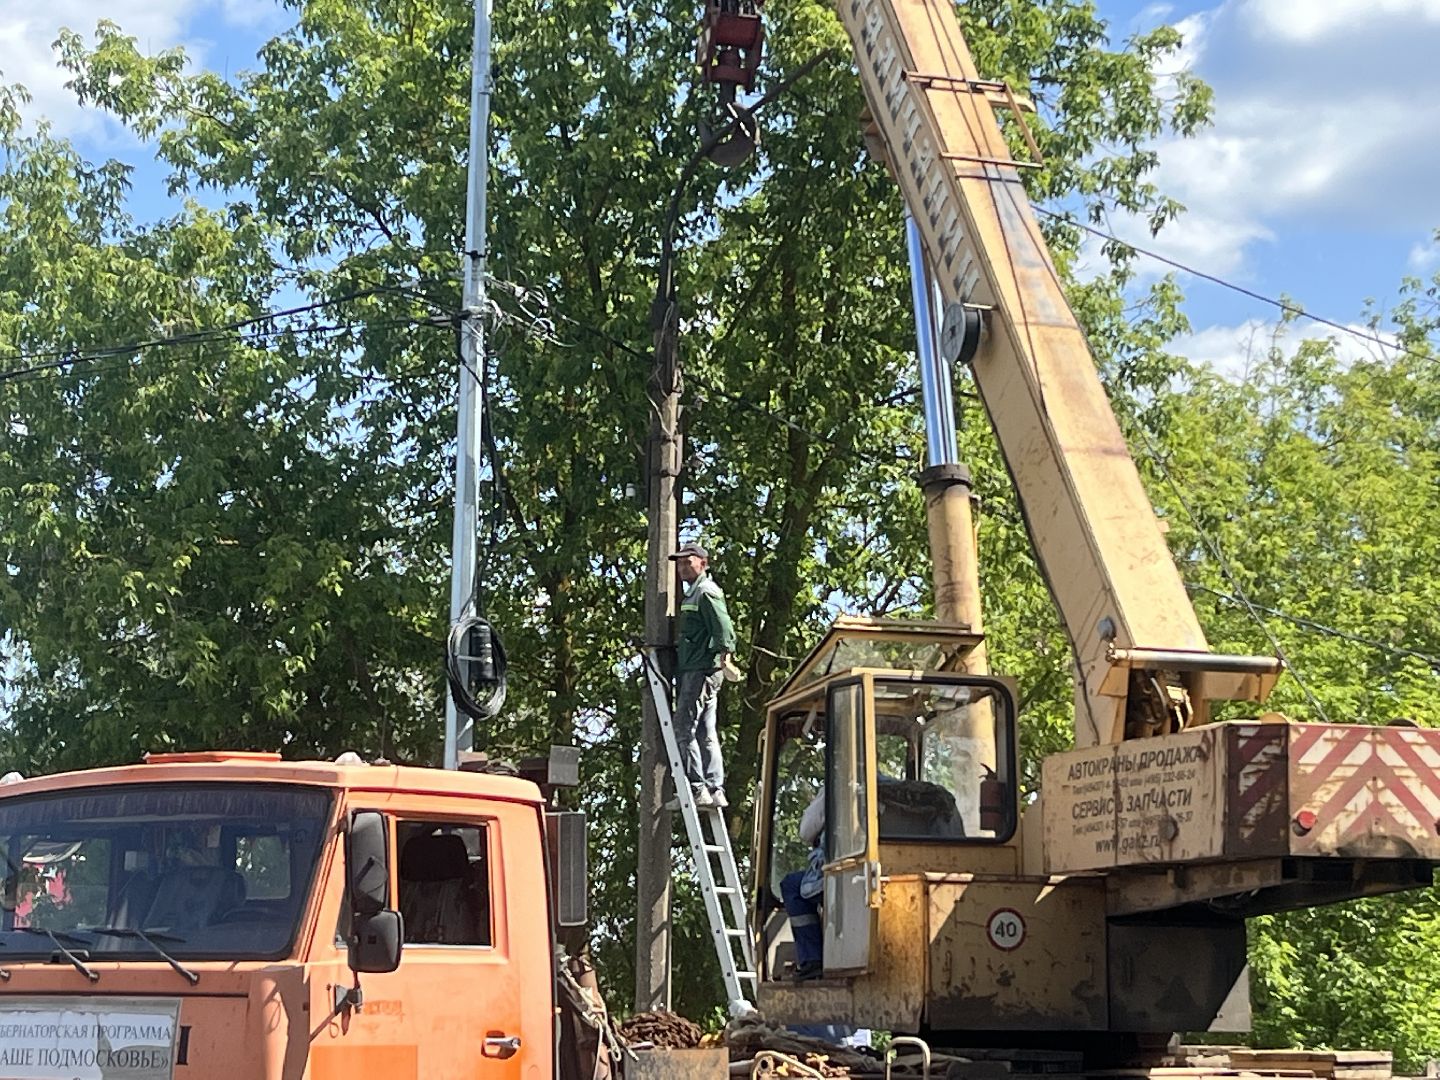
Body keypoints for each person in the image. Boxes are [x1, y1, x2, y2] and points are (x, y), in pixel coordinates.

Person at [668, 542, 737, 809]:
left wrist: (725, 655)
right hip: (698, 668)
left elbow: (723, 627)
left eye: (689, 562)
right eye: (681, 563)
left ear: (703, 563)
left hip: (700, 670)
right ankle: (714, 788)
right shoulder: (694, 593)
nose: (683, 567)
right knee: (706, 731)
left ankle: (697, 788)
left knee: (683, 729)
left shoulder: (705, 592)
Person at [779, 787, 825, 981]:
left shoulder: (838, 786)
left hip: (844, 876)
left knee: (791, 885)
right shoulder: (893, 789)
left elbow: (806, 831)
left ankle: (812, 959)